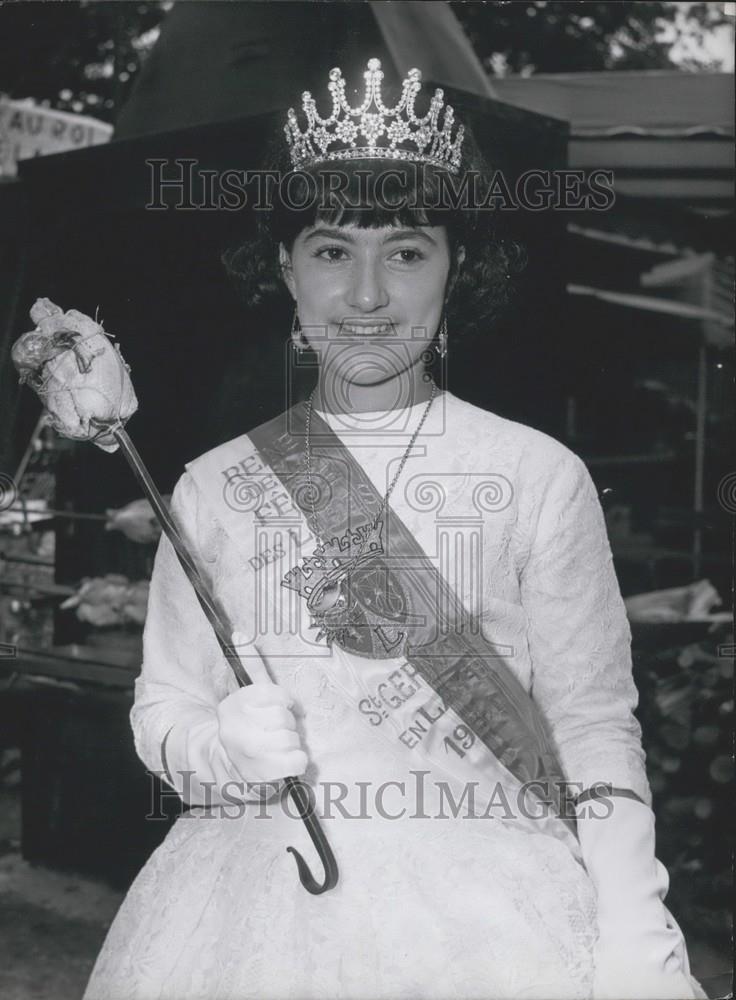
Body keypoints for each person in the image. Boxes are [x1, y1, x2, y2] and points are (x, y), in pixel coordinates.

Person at [84, 59, 705, 1000]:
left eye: (407, 249)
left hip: (493, 918)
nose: (368, 296)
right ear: (284, 268)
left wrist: (630, 917)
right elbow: (162, 707)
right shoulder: (212, 487)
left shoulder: (538, 477)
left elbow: (590, 721)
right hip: (248, 906)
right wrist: (216, 749)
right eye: (333, 250)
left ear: (459, 267)